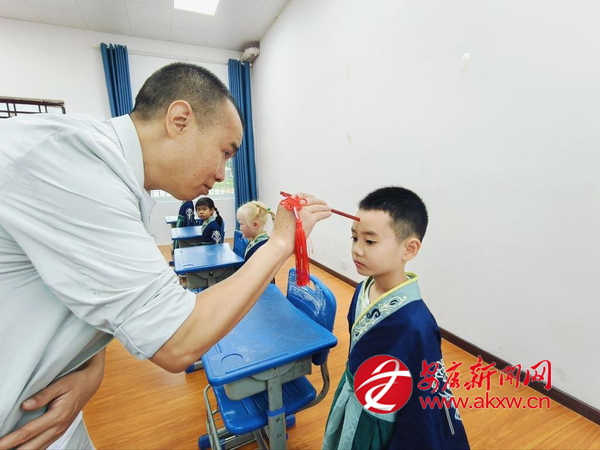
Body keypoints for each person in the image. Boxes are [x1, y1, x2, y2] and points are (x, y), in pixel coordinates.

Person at [0, 61, 331, 450]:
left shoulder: (102, 172)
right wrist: (279, 243)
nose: (222, 173)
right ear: (180, 120)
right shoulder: (69, 163)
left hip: (47, 412)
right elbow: (177, 341)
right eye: (224, 152)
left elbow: (93, 297)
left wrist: (89, 371)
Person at [322, 187, 469, 450]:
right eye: (354, 238)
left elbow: (423, 399)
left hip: (380, 420)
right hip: (351, 396)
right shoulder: (362, 289)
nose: (357, 250)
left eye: (370, 241)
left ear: (409, 249)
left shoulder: (417, 325)